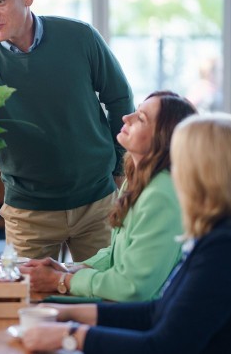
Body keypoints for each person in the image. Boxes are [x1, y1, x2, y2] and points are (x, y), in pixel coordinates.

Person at [21, 113, 231, 354]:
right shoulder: (227, 237)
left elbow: (163, 346)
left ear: (205, 174)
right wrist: (66, 312)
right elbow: (157, 313)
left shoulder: (230, 250)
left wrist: (72, 335)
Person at [0, 0, 135, 262]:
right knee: (28, 304)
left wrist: (118, 168)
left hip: (97, 203)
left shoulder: (80, 37)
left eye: (0, 1)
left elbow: (120, 100)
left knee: (105, 300)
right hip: (28, 214)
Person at [20, 91, 196, 300]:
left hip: (142, 318)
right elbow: (117, 254)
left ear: (163, 138)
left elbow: (133, 288)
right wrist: (71, 270)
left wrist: (61, 281)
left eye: (140, 118)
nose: (126, 118)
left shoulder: (161, 195)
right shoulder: (136, 179)